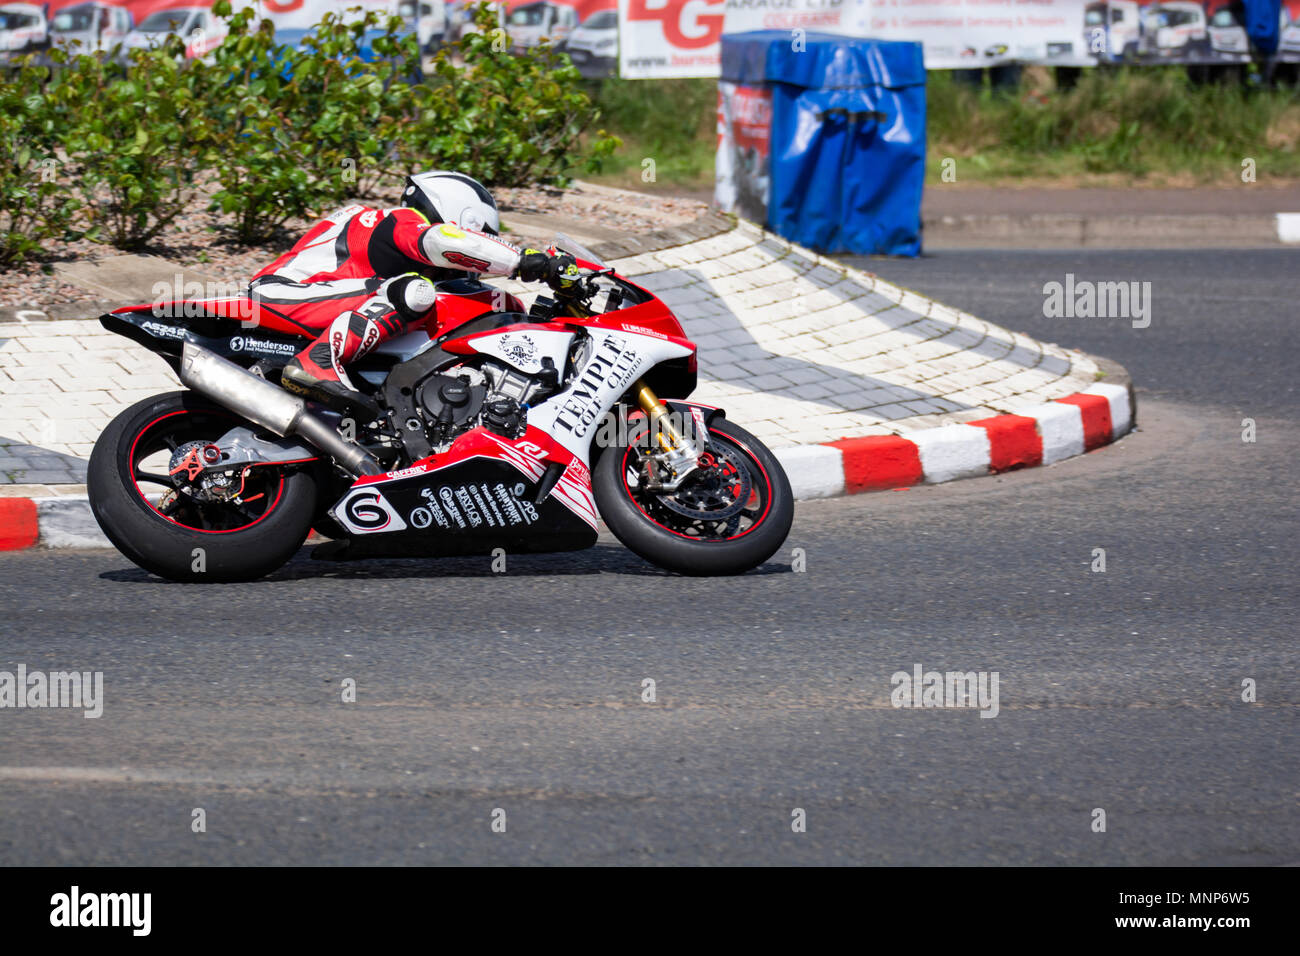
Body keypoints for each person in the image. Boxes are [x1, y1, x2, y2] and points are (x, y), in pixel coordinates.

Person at [248, 170, 576, 415]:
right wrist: (524, 260)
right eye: (484, 236)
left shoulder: (402, 242)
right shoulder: (397, 222)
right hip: (280, 295)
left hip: (324, 304)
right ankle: (316, 362)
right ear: (464, 220)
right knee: (414, 292)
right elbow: (441, 242)